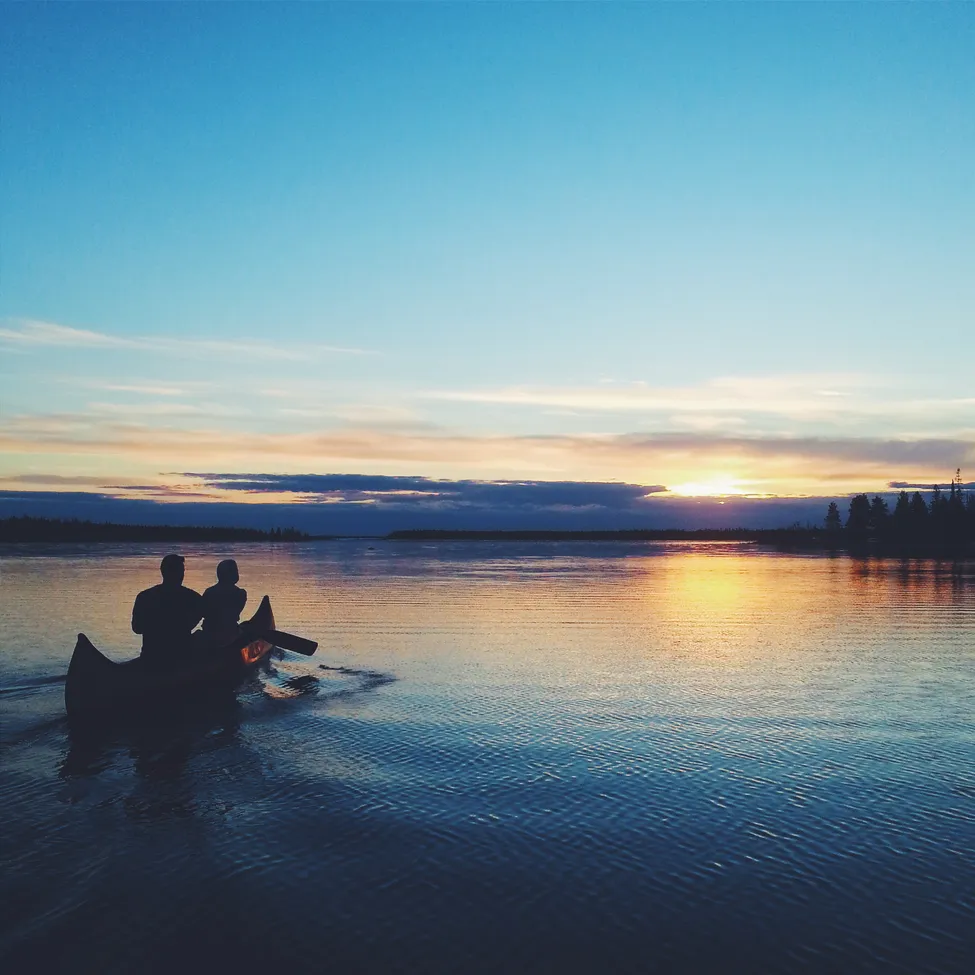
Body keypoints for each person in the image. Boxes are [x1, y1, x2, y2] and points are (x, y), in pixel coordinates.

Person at [131, 554, 204, 666]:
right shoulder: (192, 598)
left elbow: (136, 628)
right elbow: (204, 612)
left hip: (150, 657)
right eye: (182, 571)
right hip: (181, 659)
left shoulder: (144, 597)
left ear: (162, 572)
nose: (182, 574)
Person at [202, 559, 247, 647]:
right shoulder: (240, 594)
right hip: (230, 633)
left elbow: (203, 612)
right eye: (235, 571)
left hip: (209, 632)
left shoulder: (209, 592)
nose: (237, 573)